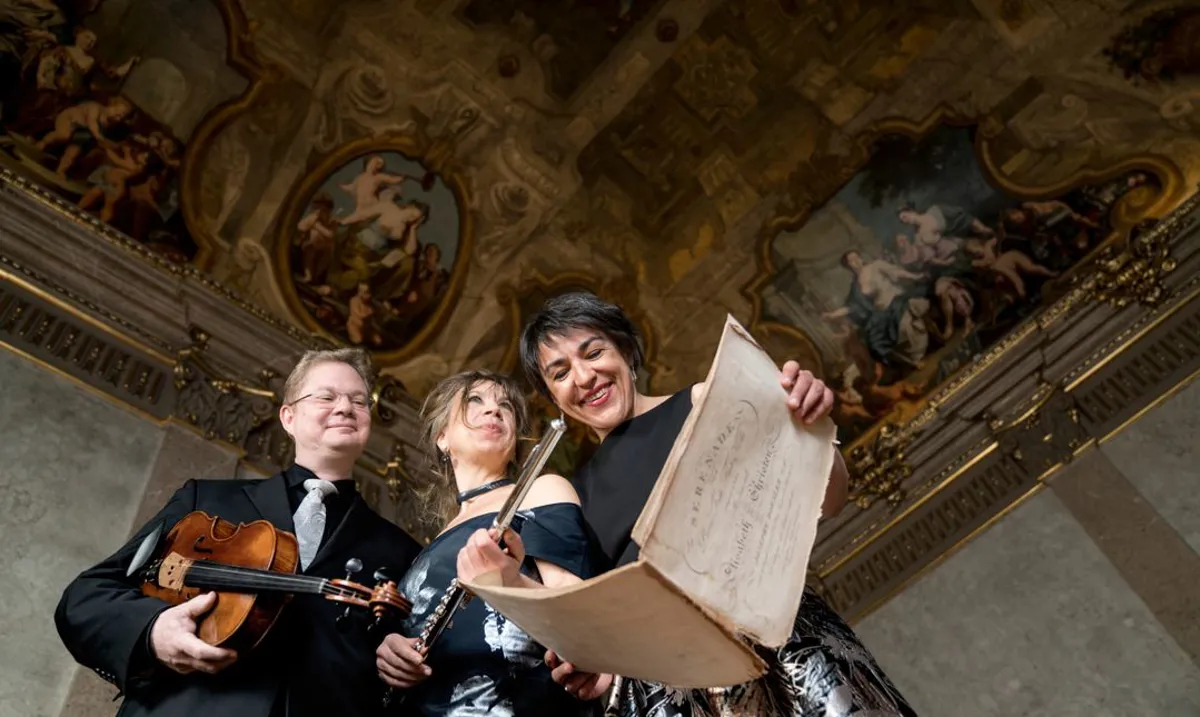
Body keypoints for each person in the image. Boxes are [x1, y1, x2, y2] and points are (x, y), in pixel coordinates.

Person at [511, 292, 916, 715]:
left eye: (593, 352)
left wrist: (810, 428)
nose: (583, 377)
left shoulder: (706, 401)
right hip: (681, 694)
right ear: (552, 396)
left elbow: (831, 501)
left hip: (788, 650)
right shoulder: (573, 500)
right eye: (560, 374)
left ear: (626, 349)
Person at [54, 348, 423, 717]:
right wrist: (154, 630)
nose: (345, 407)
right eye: (326, 396)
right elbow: (88, 595)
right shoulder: (205, 499)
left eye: (358, 401)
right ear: (288, 416)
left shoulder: (402, 551)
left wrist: (395, 659)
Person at [375, 370, 602, 716]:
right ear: (442, 437)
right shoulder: (435, 542)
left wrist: (508, 582)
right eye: (474, 401)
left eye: (506, 406)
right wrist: (392, 650)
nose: (493, 411)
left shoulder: (539, 491)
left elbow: (578, 613)